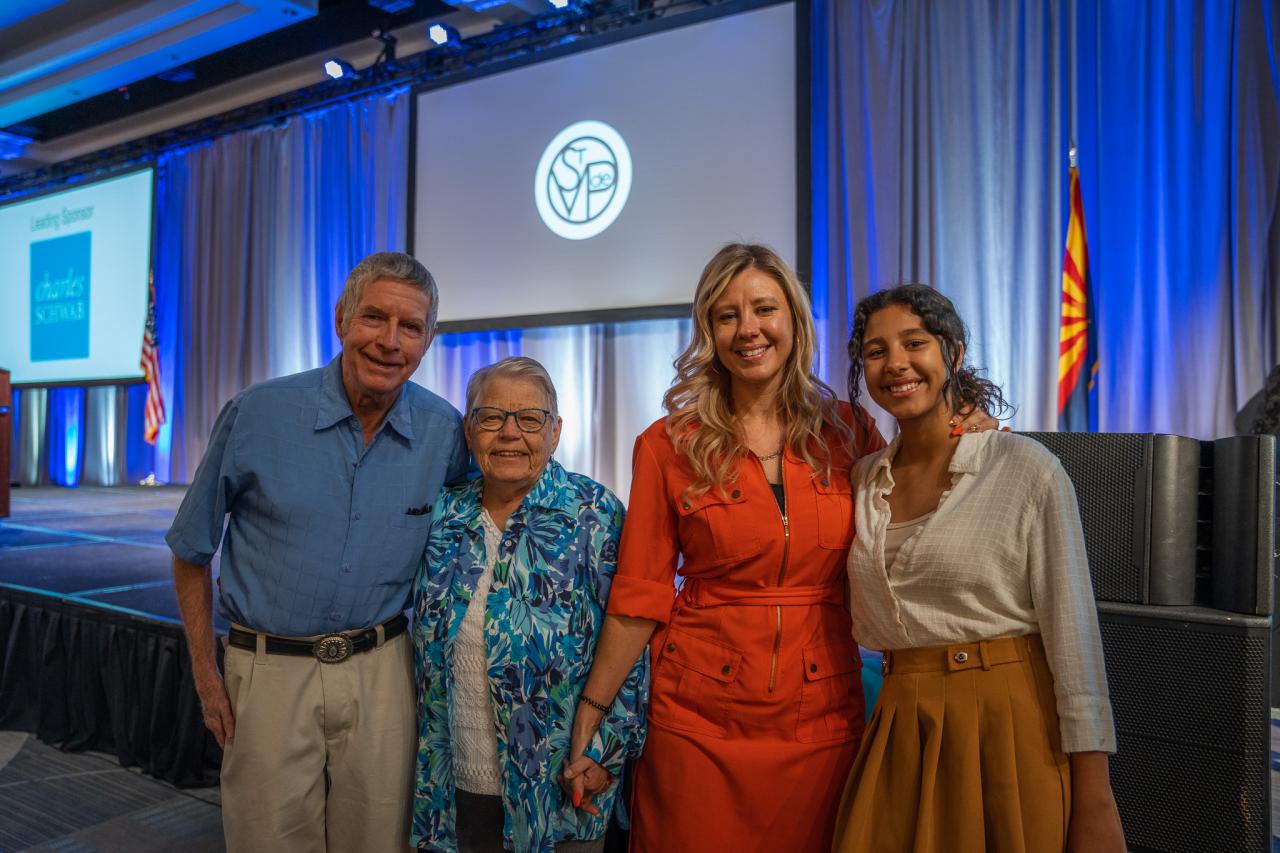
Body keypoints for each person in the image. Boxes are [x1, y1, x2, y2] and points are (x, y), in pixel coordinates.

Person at [564, 244, 990, 851]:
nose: (748, 330)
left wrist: (963, 429)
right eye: (726, 315)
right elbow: (640, 595)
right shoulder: (666, 445)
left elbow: (913, 531)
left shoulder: (852, 430)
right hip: (696, 720)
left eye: (764, 308)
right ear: (708, 331)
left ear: (794, 320)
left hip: (823, 716)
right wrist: (594, 707)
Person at [166, 251, 469, 853]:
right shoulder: (258, 413)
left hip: (384, 671)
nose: (389, 341)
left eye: (410, 328)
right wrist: (205, 672)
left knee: (380, 842)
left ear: (428, 341)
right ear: (341, 320)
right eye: (374, 319)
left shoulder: (444, 433)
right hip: (268, 671)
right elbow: (191, 548)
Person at [831, 284, 1125, 853]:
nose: (896, 364)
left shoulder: (1023, 468)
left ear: (954, 353)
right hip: (896, 727)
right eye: (875, 351)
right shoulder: (862, 480)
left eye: (914, 343)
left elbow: (1075, 641)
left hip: (1006, 725)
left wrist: (1096, 798)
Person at [411, 356, 646, 853]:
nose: (510, 433)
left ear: (556, 430)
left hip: (561, 784)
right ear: (470, 431)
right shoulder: (443, 513)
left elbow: (631, 640)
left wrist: (606, 751)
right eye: (491, 417)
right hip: (451, 786)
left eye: (530, 419)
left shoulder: (593, 513)